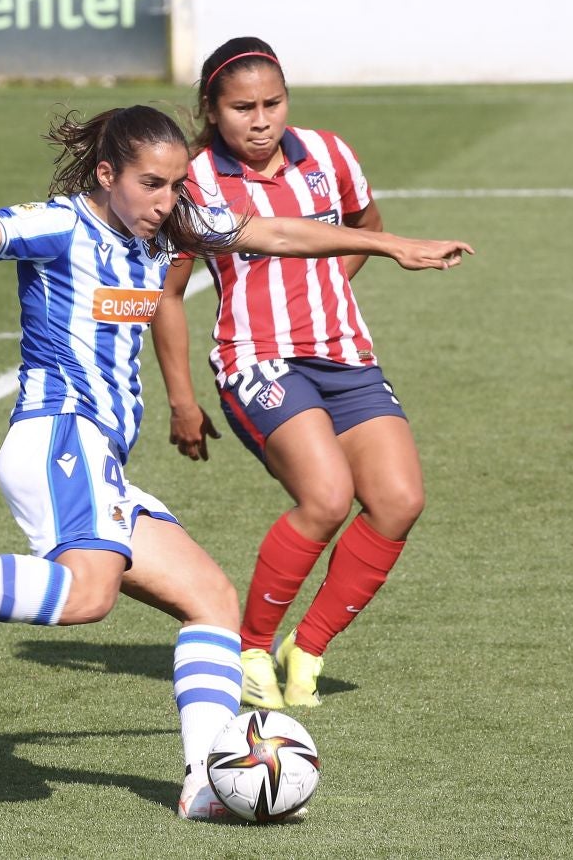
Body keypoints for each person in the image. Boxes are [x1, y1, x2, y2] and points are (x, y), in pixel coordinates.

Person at [0, 104, 473, 820]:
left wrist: (388, 244)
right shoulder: (59, 226)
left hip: (98, 461)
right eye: (151, 184)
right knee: (88, 597)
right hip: (58, 437)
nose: (167, 201)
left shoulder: (170, 226)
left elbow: (270, 230)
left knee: (208, 599)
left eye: (176, 186)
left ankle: (205, 779)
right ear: (107, 173)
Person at [152, 38, 472, 710]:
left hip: (345, 354)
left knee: (397, 501)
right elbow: (168, 294)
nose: (260, 119)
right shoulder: (194, 180)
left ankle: (309, 645)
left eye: (272, 103)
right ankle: (248, 649)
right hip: (255, 360)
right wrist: (182, 401)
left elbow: (362, 226)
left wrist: (318, 296)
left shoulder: (329, 154)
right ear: (211, 109)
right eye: (242, 107)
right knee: (325, 497)